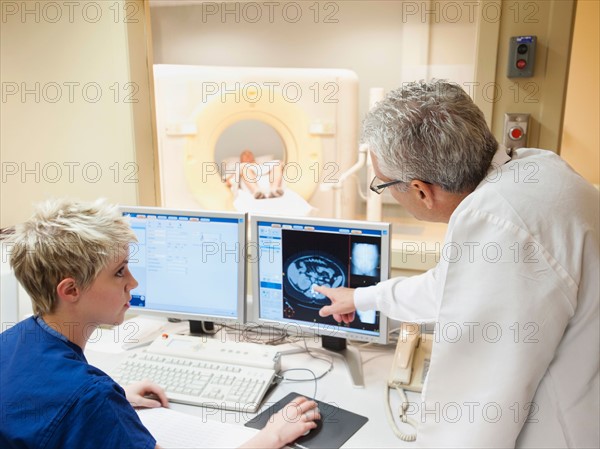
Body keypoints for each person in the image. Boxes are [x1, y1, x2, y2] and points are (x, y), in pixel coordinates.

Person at [315, 80, 599, 448]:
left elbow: (475, 405)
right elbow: (447, 287)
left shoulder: (498, 224)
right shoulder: (534, 169)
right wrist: (362, 298)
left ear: (420, 190)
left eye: (383, 185)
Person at [0, 199, 320, 449]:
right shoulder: (90, 398)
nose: (134, 283)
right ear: (71, 290)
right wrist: (272, 436)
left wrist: (116, 398)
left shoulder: (13, 341)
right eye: (119, 272)